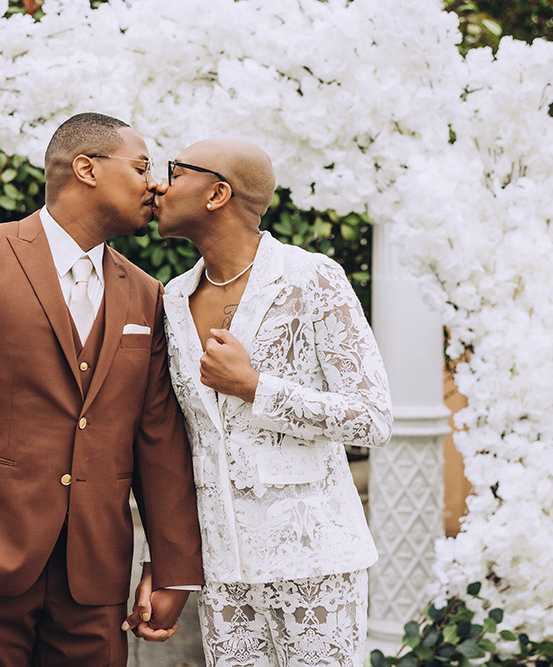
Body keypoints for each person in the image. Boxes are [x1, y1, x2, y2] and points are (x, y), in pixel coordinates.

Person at [0, 112, 204, 666]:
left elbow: (158, 440)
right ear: (86, 169)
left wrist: (171, 567)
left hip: (94, 579)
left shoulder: (146, 295)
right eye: (141, 166)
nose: (155, 182)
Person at [124, 138, 393, 666]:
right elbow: (179, 445)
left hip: (315, 562)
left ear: (218, 193)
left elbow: (373, 418)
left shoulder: (311, 278)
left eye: (175, 172)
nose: (158, 183)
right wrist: (167, 557)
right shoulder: (172, 298)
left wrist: (255, 388)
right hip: (224, 573)